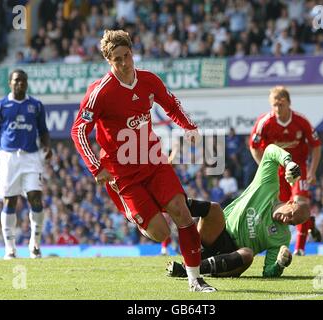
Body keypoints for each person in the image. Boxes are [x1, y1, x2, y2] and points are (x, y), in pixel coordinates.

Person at [71, 30, 216, 292]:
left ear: (132, 53)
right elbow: (78, 130)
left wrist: (189, 127)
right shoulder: (100, 92)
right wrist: (96, 166)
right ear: (108, 61)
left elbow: (171, 103)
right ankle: (133, 210)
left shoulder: (148, 80)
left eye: (127, 56)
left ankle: (195, 280)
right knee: (160, 233)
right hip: (123, 174)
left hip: (153, 160)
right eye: (117, 59)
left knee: (182, 213)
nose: (125, 63)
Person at [167, 144, 309, 278]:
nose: (286, 220)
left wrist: (279, 265)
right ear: (290, 202)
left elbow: (268, 272)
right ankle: (170, 205)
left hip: (234, 257)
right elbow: (270, 150)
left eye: (291, 223)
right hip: (218, 234)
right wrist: (288, 162)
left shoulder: (282, 237)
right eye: (290, 215)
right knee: (215, 208)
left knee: (248, 254)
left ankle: (188, 270)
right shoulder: (268, 186)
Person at [0, 69, 52, 260]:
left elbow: (43, 130)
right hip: (8, 158)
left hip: (31, 157)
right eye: (16, 80)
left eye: (23, 80)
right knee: (10, 201)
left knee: (35, 198)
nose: (20, 83)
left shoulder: (36, 105)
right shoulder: (1, 105)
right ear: (9, 83)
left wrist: (47, 147)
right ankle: (10, 248)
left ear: (27, 83)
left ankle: (35, 245)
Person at [249, 86, 322, 255]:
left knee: (300, 203)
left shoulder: (301, 121)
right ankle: (308, 224)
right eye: (274, 105)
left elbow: (316, 145)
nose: (277, 109)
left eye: (281, 104)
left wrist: (312, 171)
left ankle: (299, 249)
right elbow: (254, 146)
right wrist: (265, 167)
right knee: (282, 210)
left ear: (289, 103)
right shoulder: (264, 122)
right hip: (277, 171)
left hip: (298, 168)